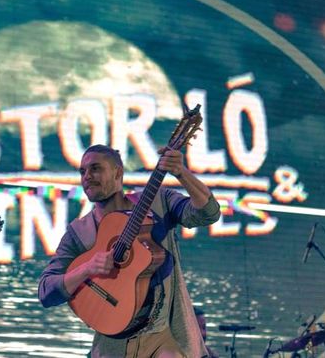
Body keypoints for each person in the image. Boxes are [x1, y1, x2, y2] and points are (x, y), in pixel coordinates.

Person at [38, 144, 221, 358]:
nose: (87, 176)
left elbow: (208, 214)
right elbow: (46, 292)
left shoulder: (158, 202)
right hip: (114, 343)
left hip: (166, 332)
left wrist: (181, 173)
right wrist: (88, 268)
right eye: (82, 171)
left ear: (118, 172)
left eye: (95, 168)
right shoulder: (80, 232)